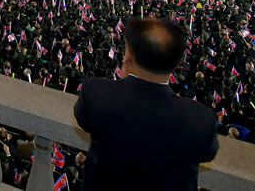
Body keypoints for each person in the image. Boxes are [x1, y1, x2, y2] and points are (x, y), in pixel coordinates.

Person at [74, 18, 219, 191]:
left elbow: (83, 118)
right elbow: (207, 152)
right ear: (177, 64)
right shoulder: (201, 121)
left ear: (129, 56)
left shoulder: (95, 93)